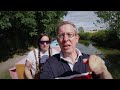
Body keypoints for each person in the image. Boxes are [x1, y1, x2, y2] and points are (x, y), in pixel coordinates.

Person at [40, 21, 113, 79]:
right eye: (61, 35)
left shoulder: (90, 61)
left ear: (77, 39)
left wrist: (104, 71)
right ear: (58, 41)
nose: (65, 39)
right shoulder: (49, 64)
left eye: (69, 34)